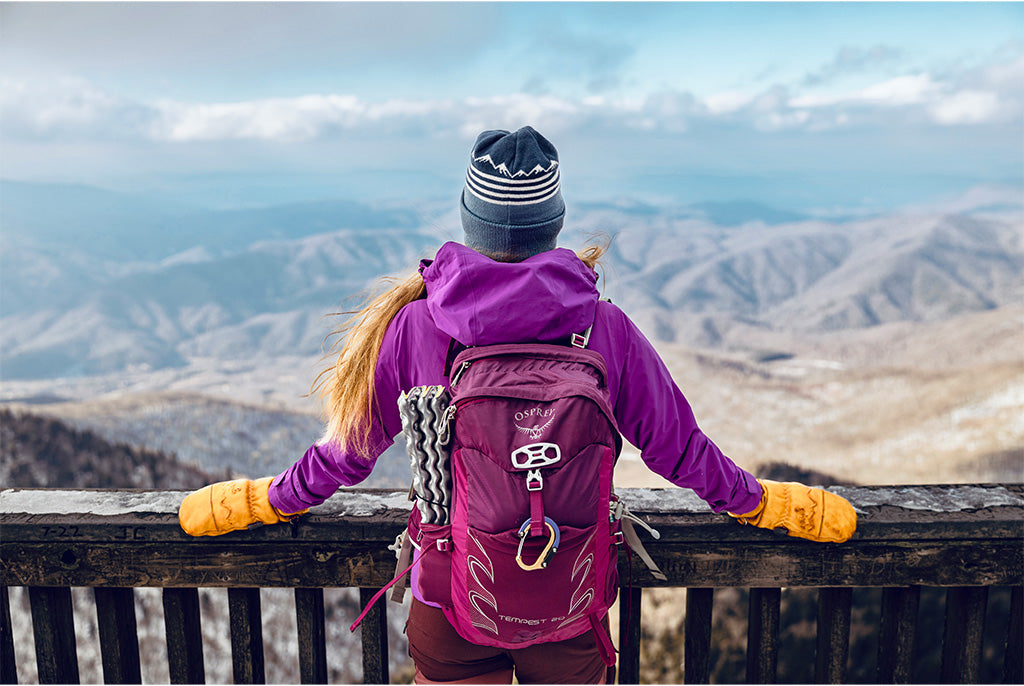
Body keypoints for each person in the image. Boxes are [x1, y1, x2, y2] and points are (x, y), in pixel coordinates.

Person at [179, 126, 857, 684]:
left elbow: (346, 456)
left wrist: (269, 499)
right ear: (555, 222)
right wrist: (765, 503)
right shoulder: (604, 328)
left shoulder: (418, 328)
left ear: (470, 222)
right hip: (571, 599)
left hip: (449, 600)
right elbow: (681, 451)